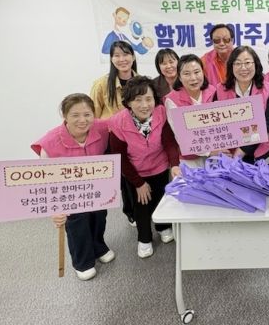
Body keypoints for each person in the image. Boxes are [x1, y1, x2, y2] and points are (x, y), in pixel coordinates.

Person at [31, 94, 114, 281]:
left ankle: (98, 246)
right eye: (75, 115)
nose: (82, 120)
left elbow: (121, 120)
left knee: (99, 217)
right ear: (65, 116)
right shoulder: (50, 142)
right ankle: (82, 261)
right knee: (78, 224)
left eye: (87, 114)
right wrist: (54, 209)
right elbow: (44, 179)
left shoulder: (102, 128)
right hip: (69, 192)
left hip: (96, 187)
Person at [109, 76, 179, 258]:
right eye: (138, 100)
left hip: (159, 166)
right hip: (135, 171)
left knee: (161, 199)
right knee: (141, 206)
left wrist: (174, 164)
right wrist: (139, 183)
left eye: (149, 99)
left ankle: (163, 227)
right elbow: (120, 158)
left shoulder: (161, 112)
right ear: (128, 102)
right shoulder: (118, 123)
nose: (144, 105)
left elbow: (169, 142)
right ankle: (144, 238)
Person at [90, 40, 138, 226]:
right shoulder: (102, 84)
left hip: (136, 137)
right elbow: (93, 116)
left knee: (136, 174)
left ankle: (140, 209)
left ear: (133, 56)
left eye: (125, 54)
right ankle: (130, 212)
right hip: (113, 139)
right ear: (111, 59)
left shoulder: (141, 81)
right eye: (117, 55)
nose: (122, 59)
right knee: (123, 178)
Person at [216, 46, 269, 164]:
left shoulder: (267, 88)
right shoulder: (220, 90)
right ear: (231, 66)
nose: (243, 68)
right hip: (229, 154)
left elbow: (266, 124)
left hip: (259, 152)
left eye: (247, 63)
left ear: (255, 64)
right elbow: (217, 123)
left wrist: (242, 150)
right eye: (238, 63)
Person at [164, 54, 217, 172]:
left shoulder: (213, 91)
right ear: (179, 77)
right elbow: (181, 136)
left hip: (216, 155)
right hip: (190, 159)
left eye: (197, 72)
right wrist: (209, 151)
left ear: (203, 72)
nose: (193, 78)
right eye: (187, 74)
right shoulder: (172, 100)